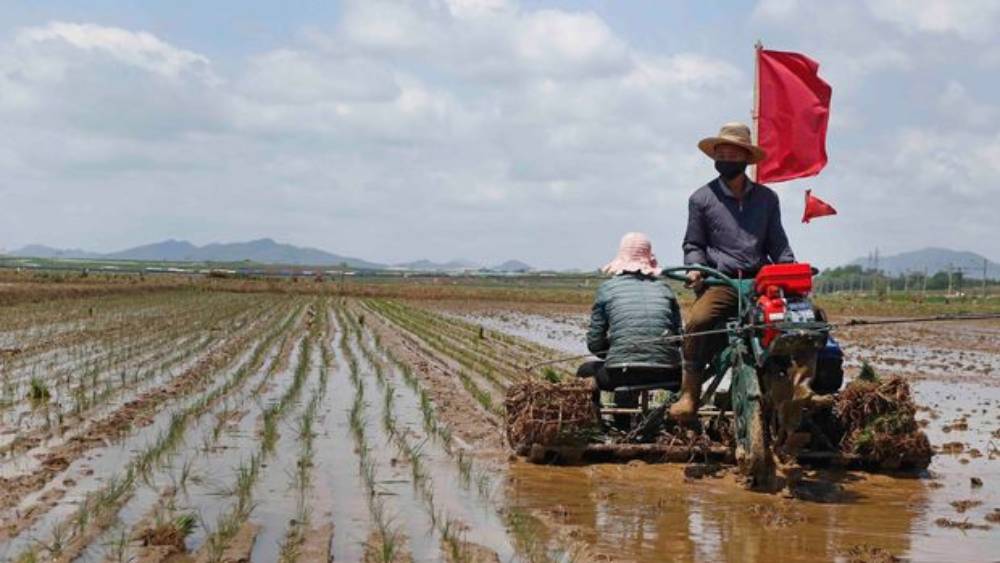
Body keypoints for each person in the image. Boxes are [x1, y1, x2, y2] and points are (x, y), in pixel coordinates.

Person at [670, 122, 795, 421]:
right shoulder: (701, 199)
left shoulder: (767, 199)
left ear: (745, 158)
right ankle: (689, 393)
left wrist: (791, 270)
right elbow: (693, 243)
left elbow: (778, 244)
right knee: (699, 321)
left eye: (731, 152)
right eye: (720, 152)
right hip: (721, 281)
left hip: (760, 281)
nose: (724, 157)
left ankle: (798, 387)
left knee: (805, 318)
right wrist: (695, 270)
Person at [578, 232, 683, 422]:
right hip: (665, 372)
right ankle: (673, 422)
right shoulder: (665, 289)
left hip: (621, 373)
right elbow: (679, 338)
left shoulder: (607, 289)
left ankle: (596, 424)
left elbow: (594, 343)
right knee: (689, 374)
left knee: (585, 371)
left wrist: (617, 351)